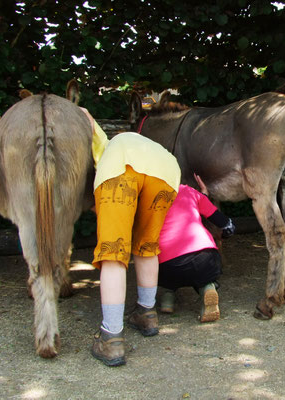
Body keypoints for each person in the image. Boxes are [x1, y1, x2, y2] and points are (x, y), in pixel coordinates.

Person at [83, 109, 181, 366]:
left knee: (113, 253)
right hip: (167, 172)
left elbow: (84, 116)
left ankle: (111, 338)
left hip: (122, 169)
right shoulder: (143, 143)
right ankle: (146, 314)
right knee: (147, 246)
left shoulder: (106, 148)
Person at [157, 174, 235, 323]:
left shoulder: (149, 196)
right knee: (202, 274)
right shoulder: (189, 192)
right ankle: (207, 288)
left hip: (166, 265)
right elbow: (227, 225)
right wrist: (202, 197)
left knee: (155, 259)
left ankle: (167, 297)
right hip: (204, 257)